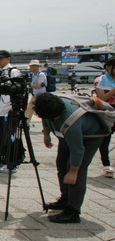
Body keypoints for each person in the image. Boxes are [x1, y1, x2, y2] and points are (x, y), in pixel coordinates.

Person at [36, 92, 106, 223]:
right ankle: (65, 198)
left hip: (90, 136)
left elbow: (77, 150)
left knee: (75, 171)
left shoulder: (71, 122)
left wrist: (73, 171)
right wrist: (46, 134)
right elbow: (45, 118)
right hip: (65, 136)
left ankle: (73, 211)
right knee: (61, 165)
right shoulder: (48, 105)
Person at [0, 50, 25, 172]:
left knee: (10, 137)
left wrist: (14, 107)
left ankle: (11, 163)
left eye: (1, 59)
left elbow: (19, 90)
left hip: (9, 111)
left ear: (8, 59)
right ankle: (1, 160)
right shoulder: (0, 73)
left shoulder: (13, 72)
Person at [94, 57, 115, 178]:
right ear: (107, 67)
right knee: (105, 139)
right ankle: (106, 165)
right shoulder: (100, 80)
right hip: (107, 110)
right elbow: (102, 98)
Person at [25, 59, 47, 124]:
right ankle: (26, 123)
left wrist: (32, 85)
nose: (30, 67)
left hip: (40, 96)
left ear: (36, 66)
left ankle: (46, 125)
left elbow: (39, 85)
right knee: (29, 110)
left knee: (41, 112)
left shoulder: (41, 75)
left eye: (31, 66)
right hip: (35, 95)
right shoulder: (34, 75)